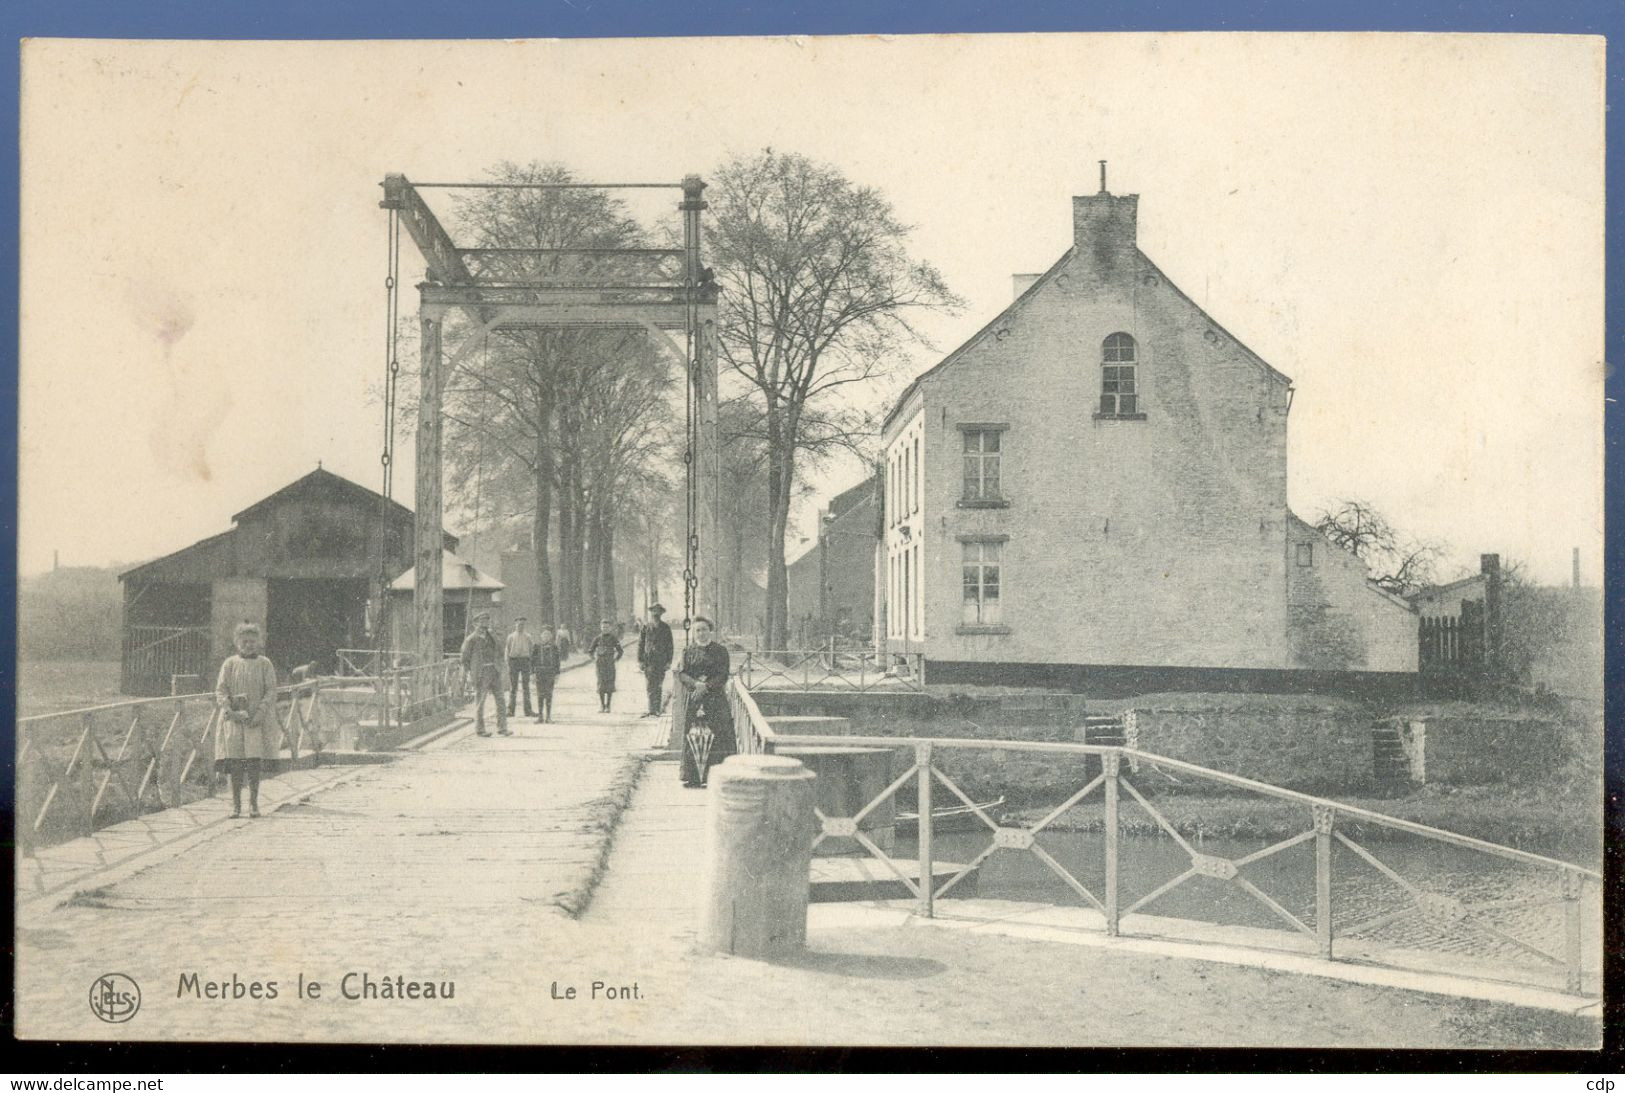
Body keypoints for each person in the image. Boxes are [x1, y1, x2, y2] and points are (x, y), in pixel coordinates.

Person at [214, 622, 278, 818]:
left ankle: (254, 804)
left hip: (256, 721)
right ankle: (235, 805)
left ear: (259, 642)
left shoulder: (264, 664)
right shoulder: (230, 664)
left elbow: (271, 691)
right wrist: (229, 709)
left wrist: (259, 713)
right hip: (233, 720)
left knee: (253, 761)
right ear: (237, 643)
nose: (248, 645)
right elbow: (221, 689)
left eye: (252, 641)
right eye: (244, 641)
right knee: (235, 762)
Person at [677, 616, 736, 788]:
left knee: (717, 734)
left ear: (710, 630)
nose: (701, 633)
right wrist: (696, 684)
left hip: (715, 698)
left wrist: (706, 687)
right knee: (692, 733)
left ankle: (716, 776)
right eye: (698, 630)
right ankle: (693, 776)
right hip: (695, 698)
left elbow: (723, 674)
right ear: (694, 632)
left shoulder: (720, 651)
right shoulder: (687, 651)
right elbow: (682, 673)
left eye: (704, 629)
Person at [460, 612, 510, 737]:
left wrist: (494, 635)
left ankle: (502, 728)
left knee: (501, 700)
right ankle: (480, 729)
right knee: (480, 702)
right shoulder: (471, 639)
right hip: (481, 673)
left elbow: (500, 648)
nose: (484, 624)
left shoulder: (491, 636)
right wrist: (470, 672)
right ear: (475, 624)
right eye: (482, 622)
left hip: (494, 670)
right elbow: (464, 658)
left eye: (486, 621)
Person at [636, 603, 674, 718]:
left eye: (658, 611)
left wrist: (669, 661)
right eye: (654, 611)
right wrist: (640, 661)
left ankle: (656, 709)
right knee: (649, 685)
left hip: (661, 661)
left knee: (658, 684)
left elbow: (670, 645)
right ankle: (651, 709)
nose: (656, 613)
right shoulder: (646, 627)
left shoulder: (665, 628)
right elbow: (641, 644)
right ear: (651, 612)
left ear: (662, 613)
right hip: (649, 660)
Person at [586, 618, 624, 713]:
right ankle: (602, 705)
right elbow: (590, 650)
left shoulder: (613, 638)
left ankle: (608, 706)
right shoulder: (597, 638)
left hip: (610, 663)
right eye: (603, 627)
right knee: (601, 685)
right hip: (600, 664)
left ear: (610, 628)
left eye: (607, 627)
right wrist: (594, 659)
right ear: (600, 628)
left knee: (610, 685)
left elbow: (620, 651)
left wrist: (616, 659)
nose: (605, 629)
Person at [506, 617, 536, 718]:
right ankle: (510, 711)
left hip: (525, 661)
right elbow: (507, 650)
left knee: (526, 687)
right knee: (513, 687)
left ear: (524, 625)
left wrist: (531, 663)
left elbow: (532, 650)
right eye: (518, 625)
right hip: (514, 661)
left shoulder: (528, 637)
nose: (520, 626)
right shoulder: (511, 637)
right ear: (515, 625)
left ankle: (528, 711)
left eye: (522, 625)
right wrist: (508, 663)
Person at [531, 624, 561, 723]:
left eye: (548, 635)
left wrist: (557, 674)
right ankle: (540, 716)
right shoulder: (536, 646)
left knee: (549, 694)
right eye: (544, 635)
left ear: (551, 637)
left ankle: (548, 717)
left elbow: (557, 661)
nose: (546, 637)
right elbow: (532, 661)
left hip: (550, 673)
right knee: (540, 694)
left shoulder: (554, 647)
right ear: (541, 636)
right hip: (539, 672)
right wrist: (532, 674)